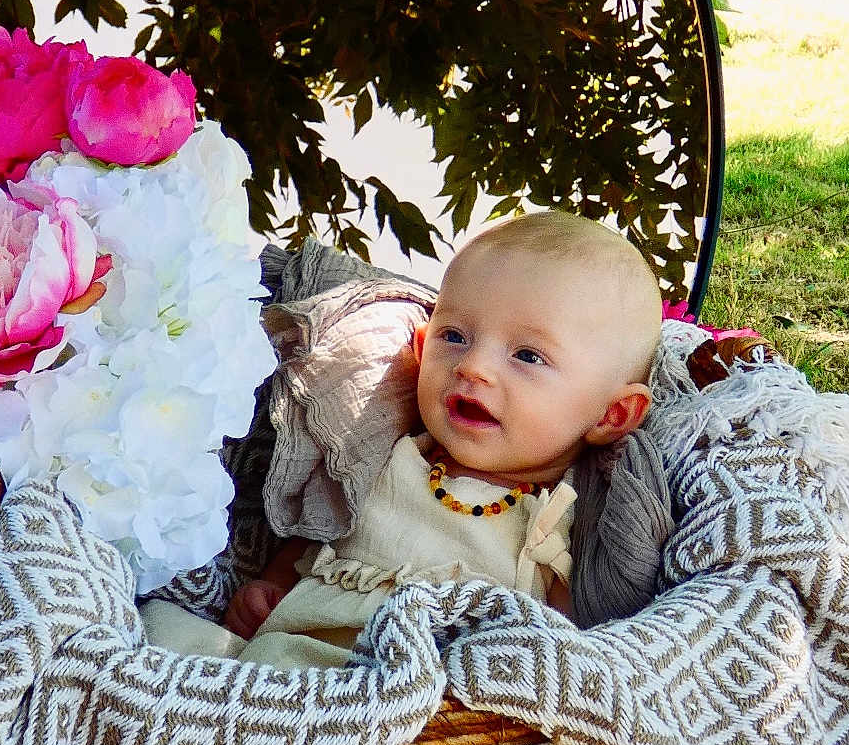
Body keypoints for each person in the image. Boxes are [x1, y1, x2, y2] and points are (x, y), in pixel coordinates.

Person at [221, 211, 662, 668]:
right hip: (291, 663)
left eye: (527, 355)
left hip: (433, 700)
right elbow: (323, 533)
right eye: (454, 336)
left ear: (612, 414)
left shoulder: (559, 520)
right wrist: (268, 589)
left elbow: (560, 653)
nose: (473, 366)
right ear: (421, 343)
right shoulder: (386, 453)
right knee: (168, 625)